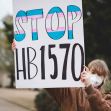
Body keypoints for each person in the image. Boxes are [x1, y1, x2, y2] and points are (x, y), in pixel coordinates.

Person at [12, 42, 111, 111]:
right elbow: (46, 77)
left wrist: (89, 88)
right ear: (86, 71)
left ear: (104, 79)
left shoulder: (107, 97)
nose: (96, 77)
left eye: (100, 75)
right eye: (93, 72)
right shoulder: (70, 91)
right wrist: (21, 54)